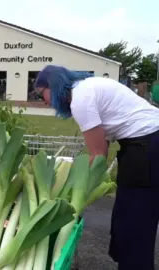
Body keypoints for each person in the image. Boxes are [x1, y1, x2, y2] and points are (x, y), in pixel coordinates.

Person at [33, 65, 159, 270]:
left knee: (135, 222)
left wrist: (70, 183)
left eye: (42, 95)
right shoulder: (89, 87)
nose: (45, 102)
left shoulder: (81, 99)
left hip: (146, 146)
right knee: (130, 215)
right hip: (146, 143)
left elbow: (98, 155)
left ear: (53, 86)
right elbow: (102, 147)